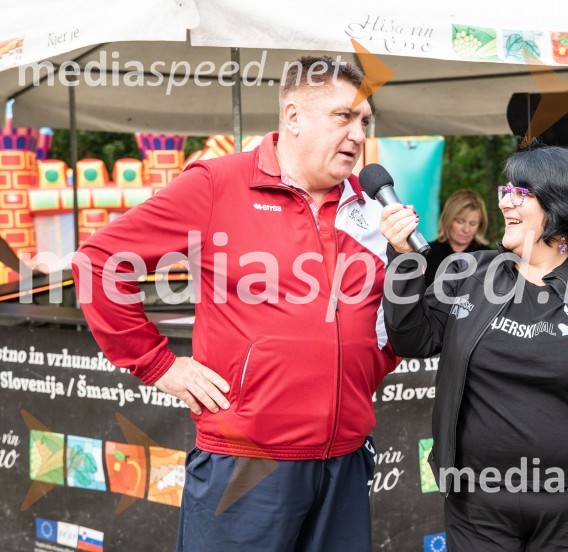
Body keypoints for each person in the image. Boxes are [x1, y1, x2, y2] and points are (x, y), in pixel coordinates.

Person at [72, 56, 397, 551]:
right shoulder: (217, 184)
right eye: (343, 117)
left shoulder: (371, 204)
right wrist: (158, 365)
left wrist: (367, 365)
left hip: (345, 459)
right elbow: (99, 263)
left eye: (365, 122)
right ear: (293, 117)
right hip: (247, 463)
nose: (358, 134)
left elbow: (388, 321)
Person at [380, 146, 568, 552]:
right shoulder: (469, 275)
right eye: (505, 190)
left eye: (520, 193)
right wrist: (403, 261)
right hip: (478, 509)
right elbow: (411, 339)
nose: (504, 202)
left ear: (562, 204)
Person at [423, 190, 490, 286]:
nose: (466, 230)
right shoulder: (427, 254)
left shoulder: (487, 258)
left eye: (472, 224)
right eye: (460, 221)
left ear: (480, 225)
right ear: (448, 219)